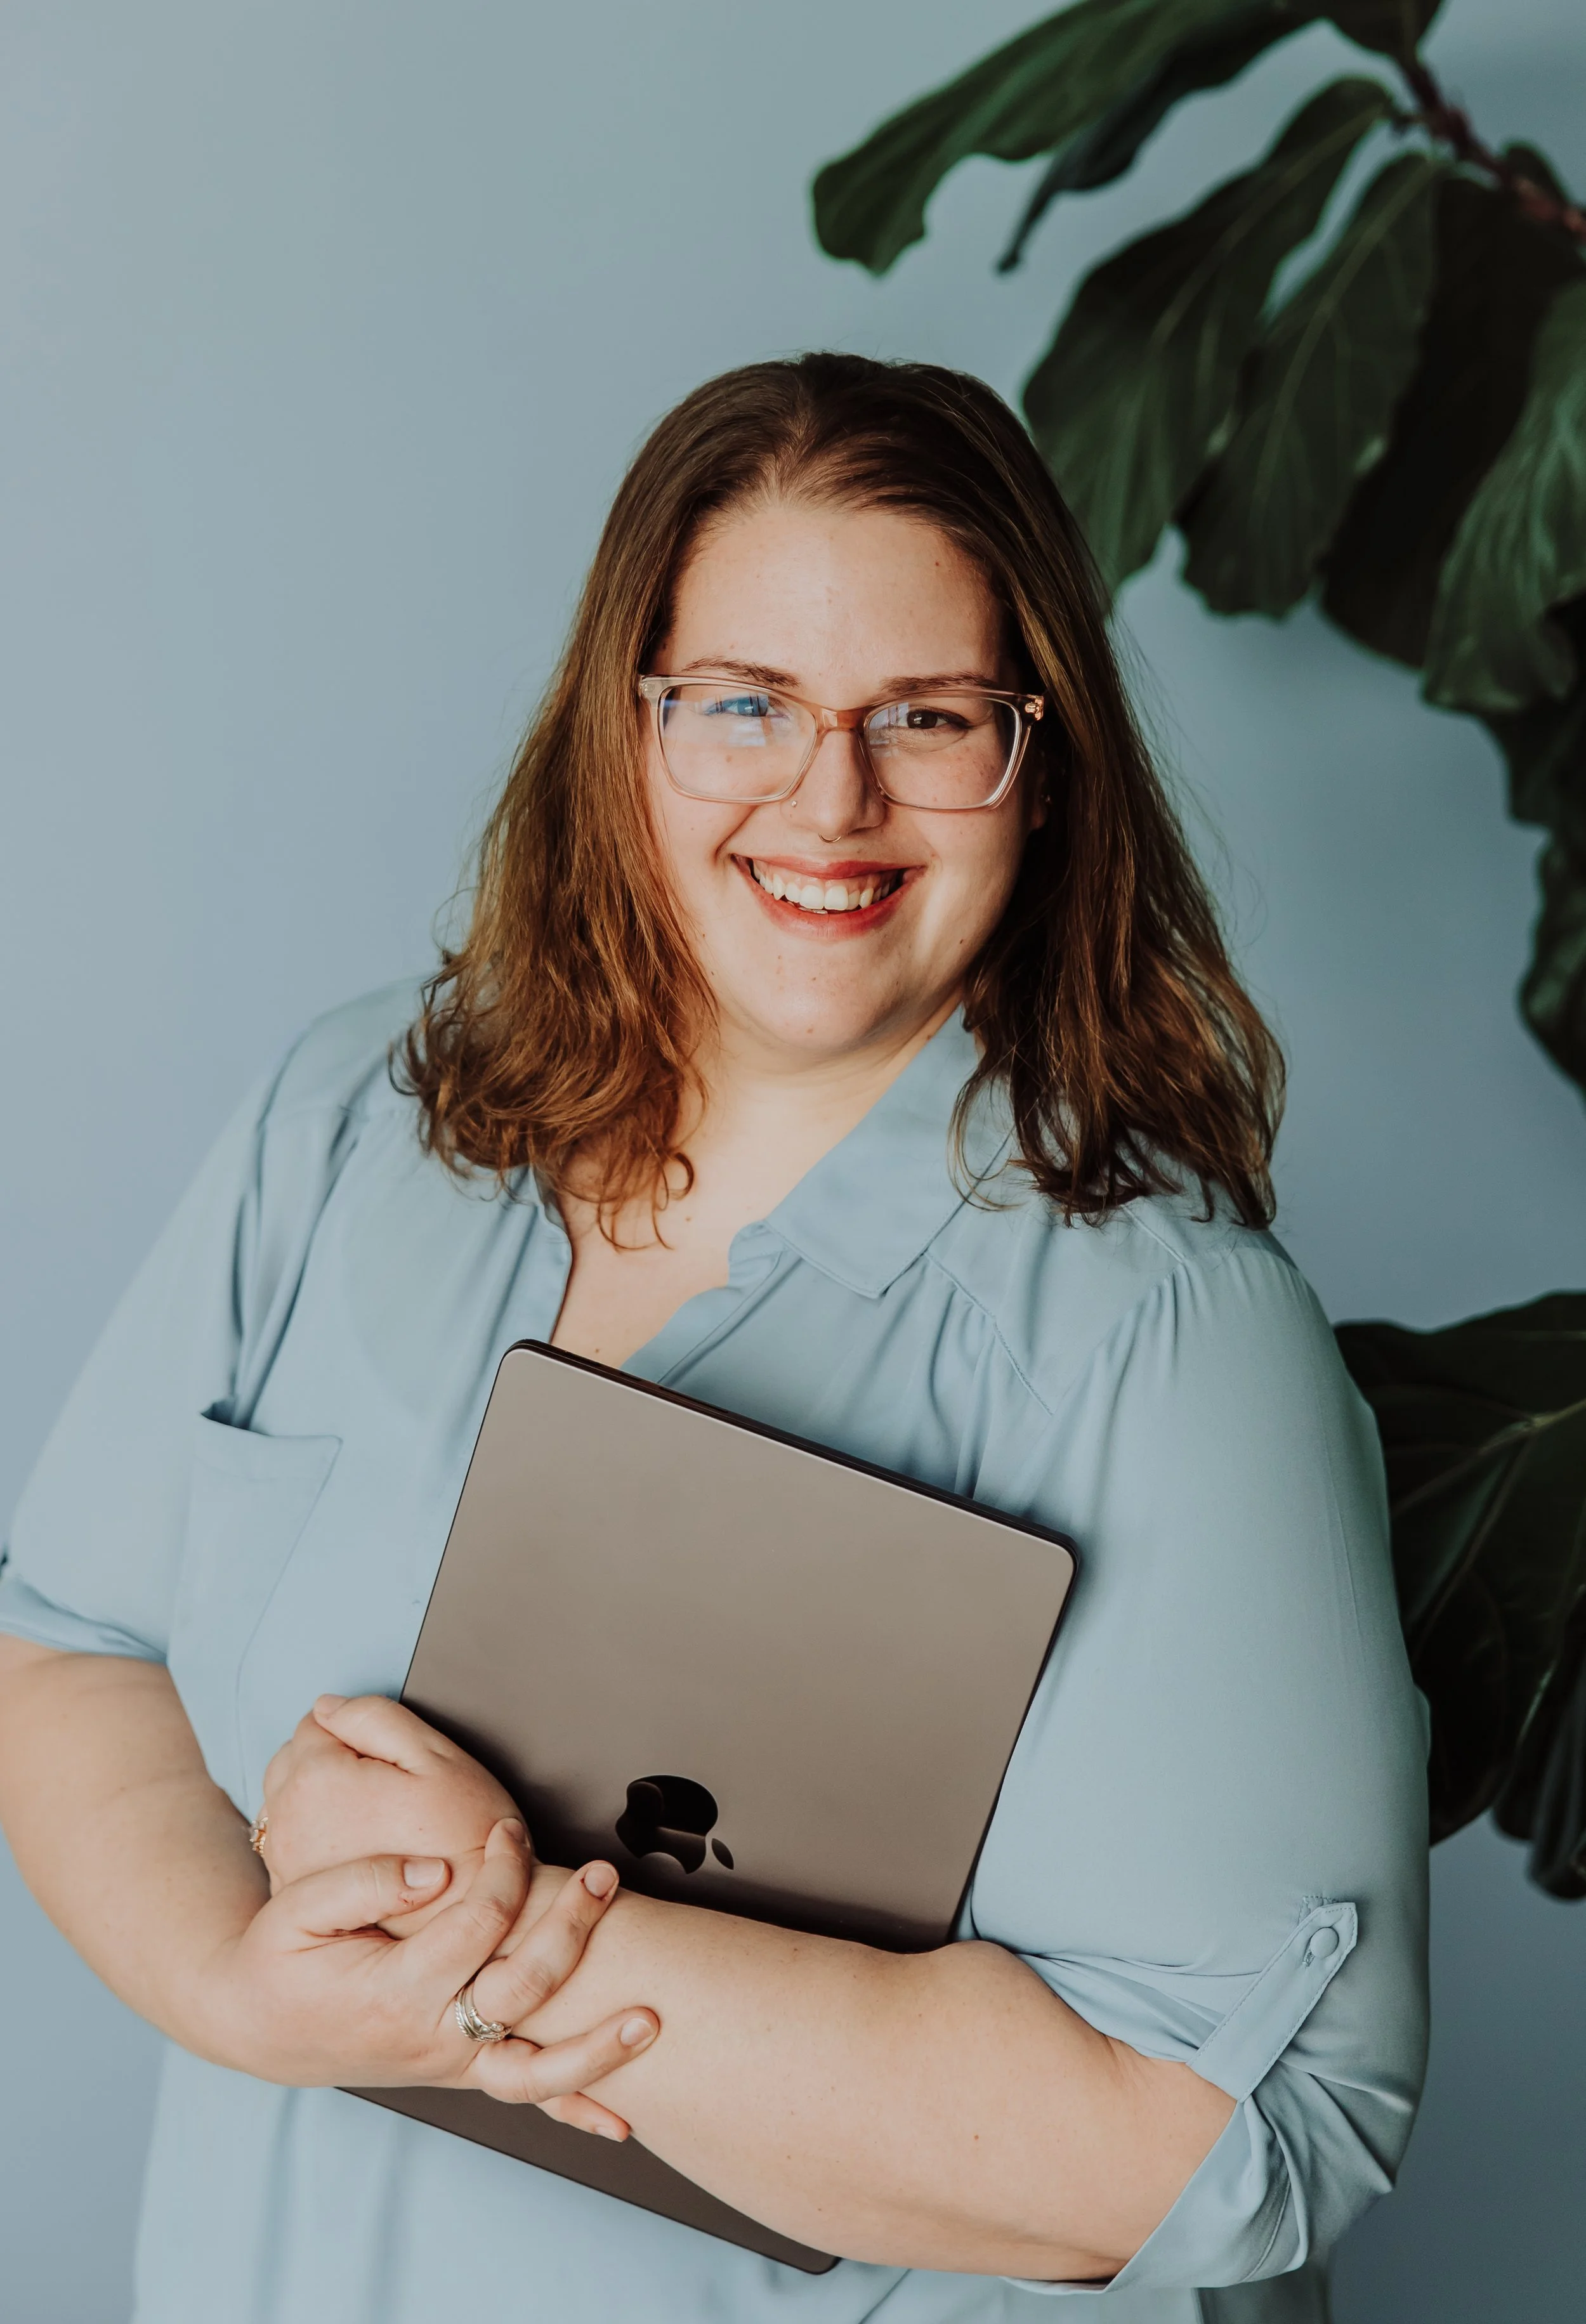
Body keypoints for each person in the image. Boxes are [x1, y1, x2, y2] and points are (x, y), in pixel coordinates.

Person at [0, 353, 1427, 2324]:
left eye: (925, 719)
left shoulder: (1171, 1336)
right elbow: (74, 1650)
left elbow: (1249, 2142)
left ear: (1044, 755)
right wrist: (240, 1993)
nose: (824, 801)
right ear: (625, 726)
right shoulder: (350, 1125)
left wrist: (490, 1944)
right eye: (741, 705)